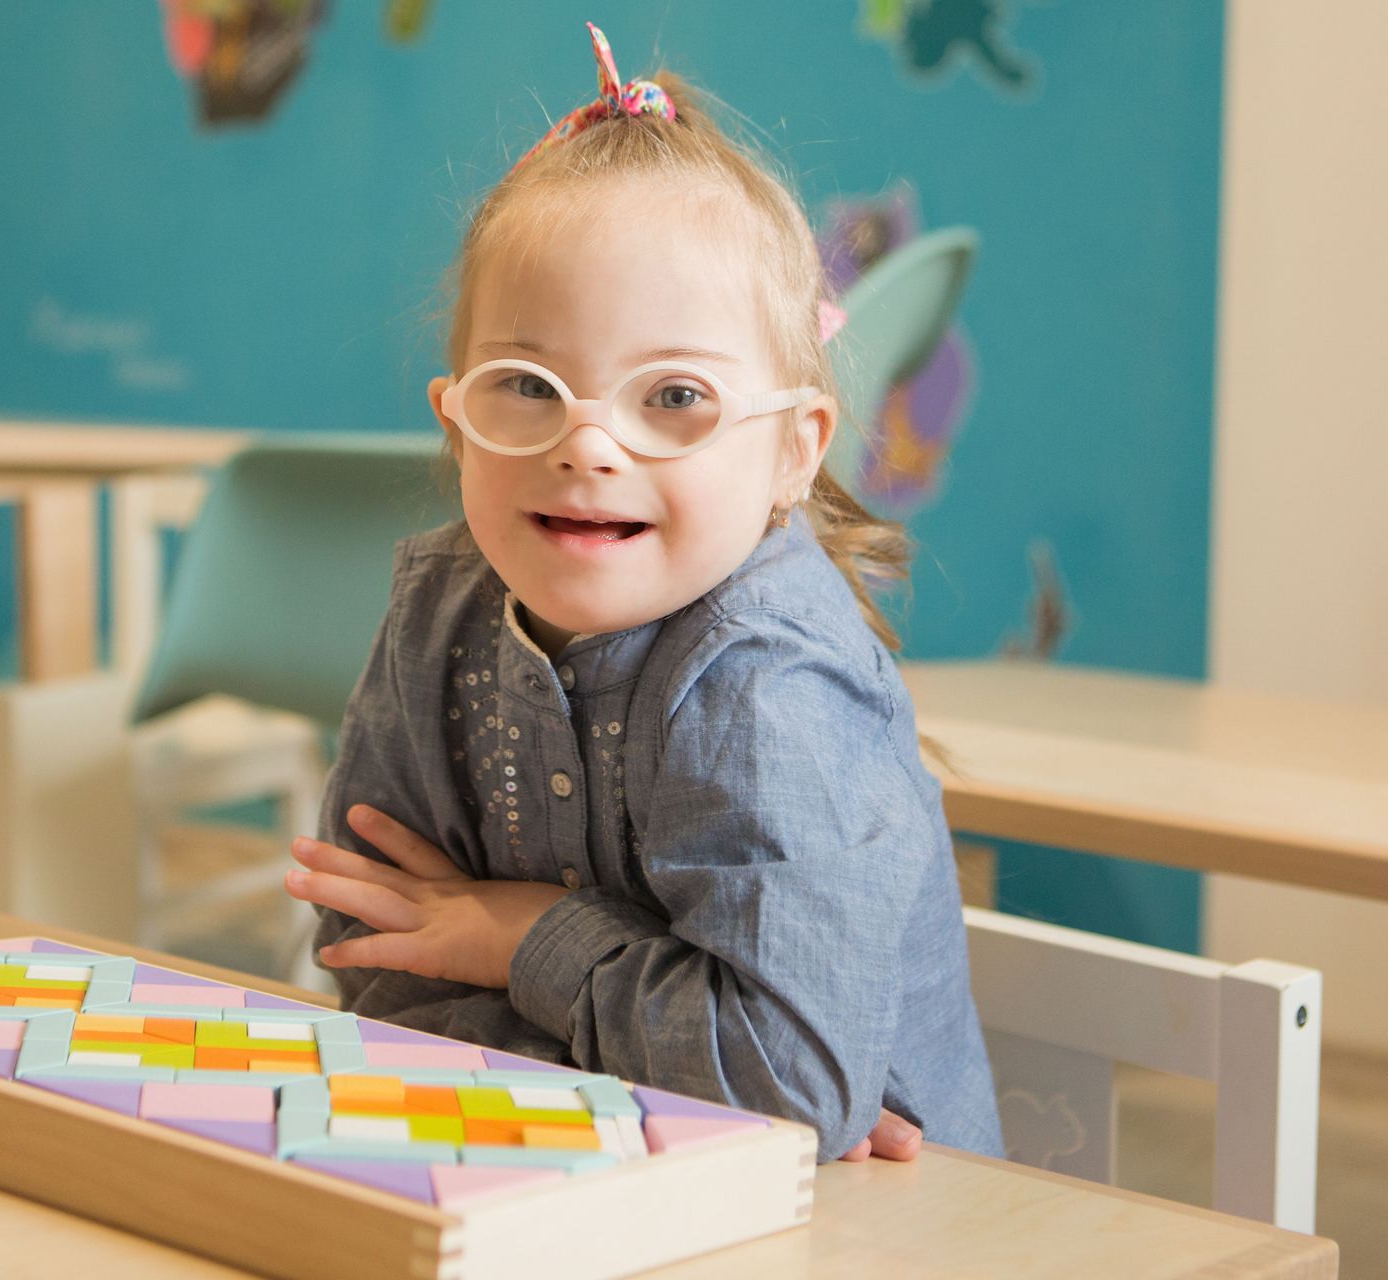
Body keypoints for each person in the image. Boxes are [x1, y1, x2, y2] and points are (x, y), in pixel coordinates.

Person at [283, 21, 1002, 1162]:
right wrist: (658, 1061)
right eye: (528, 384)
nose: (588, 442)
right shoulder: (437, 615)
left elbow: (781, 1088)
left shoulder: (767, 681)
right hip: (559, 1177)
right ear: (455, 418)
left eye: (673, 396)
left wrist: (520, 936)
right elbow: (380, 964)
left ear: (793, 450)